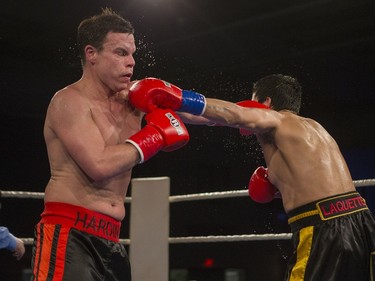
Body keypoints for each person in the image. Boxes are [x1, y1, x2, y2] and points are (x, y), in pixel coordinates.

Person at [127, 75, 375, 280]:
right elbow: (214, 119)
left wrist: (180, 97)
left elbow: (233, 114)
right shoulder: (315, 129)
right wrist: (164, 107)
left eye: (253, 103)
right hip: (361, 222)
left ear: (265, 102)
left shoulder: (276, 118)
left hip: (323, 228)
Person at [31, 9, 190, 281]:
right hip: (70, 236)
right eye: (120, 53)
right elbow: (99, 165)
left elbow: (200, 113)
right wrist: (154, 136)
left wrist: (255, 116)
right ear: (91, 53)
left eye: (132, 54)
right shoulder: (69, 101)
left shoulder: (134, 99)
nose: (131, 63)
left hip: (113, 241)